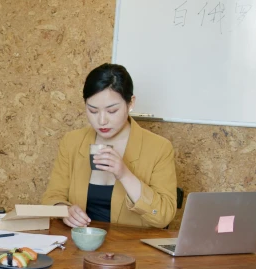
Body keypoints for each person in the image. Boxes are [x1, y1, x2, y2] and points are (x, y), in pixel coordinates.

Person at [41, 63, 177, 229]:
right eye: (93, 110)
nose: (101, 120)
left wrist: (124, 174)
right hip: (79, 245)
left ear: (131, 103)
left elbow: (163, 216)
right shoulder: (72, 142)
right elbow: (51, 198)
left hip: (132, 249)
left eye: (112, 111)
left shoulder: (159, 148)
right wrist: (64, 210)